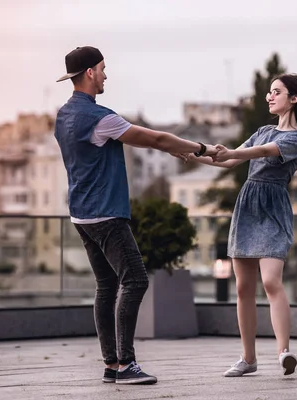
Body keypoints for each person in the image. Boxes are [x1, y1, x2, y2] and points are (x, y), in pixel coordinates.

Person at [53, 46, 218, 385]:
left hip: (81, 214)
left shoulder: (64, 116)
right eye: (102, 69)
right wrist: (198, 147)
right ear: (88, 73)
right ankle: (126, 364)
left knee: (106, 285)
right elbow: (154, 138)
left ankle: (111, 365)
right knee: (136, 280)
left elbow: (153, 142)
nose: (105, 75)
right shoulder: (100, 118)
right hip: (106, 213)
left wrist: (178, 148)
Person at [187, 73, 297, 377]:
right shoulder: (262, 130)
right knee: (244, 288)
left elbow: (263, 152)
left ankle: (283, 351)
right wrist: (192, 154)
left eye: (276, 92)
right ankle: (248, 359)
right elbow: (228, 161)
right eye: (269, 92)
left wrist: (233, 152)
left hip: (273, 209)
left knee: (272, 281)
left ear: (294, 98)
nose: (269, 97)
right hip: (247, 206)